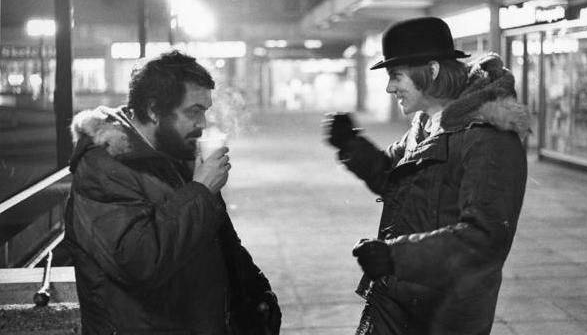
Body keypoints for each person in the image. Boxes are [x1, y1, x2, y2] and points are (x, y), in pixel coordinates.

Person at [323, 17, 530, 335]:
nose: (390, 87)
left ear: (431, 71)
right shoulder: (426, 124)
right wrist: (351, 145)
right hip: (398, 298)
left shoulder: (488, 136)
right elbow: (390, 176)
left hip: (444, 313)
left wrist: (395, 255)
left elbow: (485, 237)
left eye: (396, 76)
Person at [65, 50, 281, 335]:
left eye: (205, 110)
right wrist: (201, 190)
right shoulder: (102, 168)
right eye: (193, 111)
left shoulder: (175, 152)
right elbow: (140, 262)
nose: (202, 124)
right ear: (154, 110)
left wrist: (258, 298)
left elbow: (220, 242)